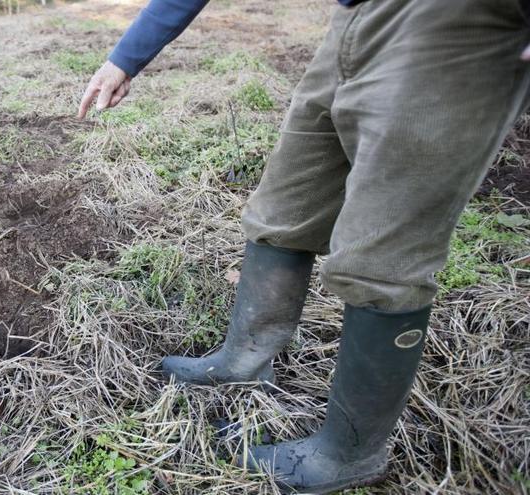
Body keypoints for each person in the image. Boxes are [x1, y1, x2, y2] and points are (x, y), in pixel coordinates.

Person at [76, 0, 530, 493]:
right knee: (282, 212)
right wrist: (125, 57)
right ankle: (245, 360)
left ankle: (348, 454)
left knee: (383, 256)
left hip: (459, 22)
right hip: (356, 18)